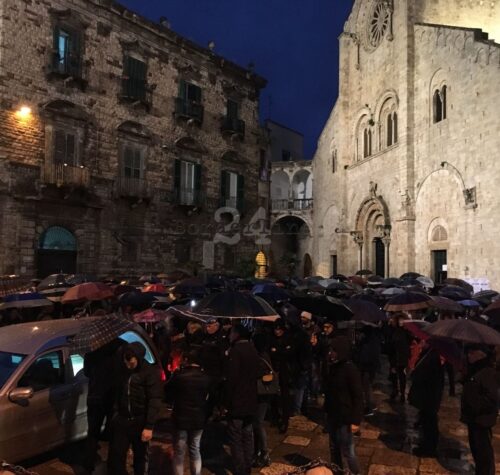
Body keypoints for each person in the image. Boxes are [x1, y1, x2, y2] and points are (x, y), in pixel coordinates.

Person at [107, 342, 163, 475]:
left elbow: (154, 399)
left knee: (140, 457)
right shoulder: (123, 370)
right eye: (125, 362)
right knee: (117, 456)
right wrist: (115, 413)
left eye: (131, 363)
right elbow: (117, 392)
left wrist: (149, 426)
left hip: (140, 421)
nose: (128, 365)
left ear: (138, 358)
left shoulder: (149, 372)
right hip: (122, 420)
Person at [167, 349, 211, 475]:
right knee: (195, 448)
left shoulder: (179, 377)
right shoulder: (206, 378)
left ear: (186, 360)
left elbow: (168, 393)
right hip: (199, 418)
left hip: (181, 417)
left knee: (179, 451)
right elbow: (211, 398)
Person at [225, 324, 261, 475]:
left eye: (231, 333)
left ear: (237, 334)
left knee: (236, 437)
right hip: (251, 399)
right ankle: (247, 465)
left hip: (238, 400)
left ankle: (240, 468)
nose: (229, 336)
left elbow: (232, 379)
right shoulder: (252, 349)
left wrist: (226, 402)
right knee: (247, 434)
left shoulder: (236, 351)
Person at [82, 339, 123, 474]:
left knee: (93, 432)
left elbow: (86, 372)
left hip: (95, 396)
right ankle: (112, 466)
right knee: (113, 433)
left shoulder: (92, 349)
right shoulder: (119, 347)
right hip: (112, 396)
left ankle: (88, 465)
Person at [323, 336, 363, 475]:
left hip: (345, 417)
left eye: (333, 350)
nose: (331, 353)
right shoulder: (333, 367)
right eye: (330, 350)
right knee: (333, 447)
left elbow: (358, 396)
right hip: (333, 414)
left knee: (347, 451)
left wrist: (356, 421)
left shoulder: (350, 369)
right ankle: (337, 471)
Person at [461, 344, 498, 475]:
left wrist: (475, 404)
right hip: (474, 418)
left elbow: (492, 398)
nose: (468, 355)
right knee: (477, 451)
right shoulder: (475, 369)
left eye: (472, 352)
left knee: (484, 454)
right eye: (468, 352)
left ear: (481, 354)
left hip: (481, 420)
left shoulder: (488, 372)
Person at [408, 343, 444, 457]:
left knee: (430, 423)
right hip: (428, 397)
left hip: (429, 397)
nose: (422, 343)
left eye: (424, 341)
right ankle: (426, 445)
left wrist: (415, 373)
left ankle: (428, 448)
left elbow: (427, 376)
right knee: (427, 422)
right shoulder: (428, 354)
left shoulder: (432, 357)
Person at [356, 325, 381, 417]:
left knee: (367, 388)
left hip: (368, 368)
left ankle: (369, 407)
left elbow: (365, 355)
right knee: (367, 387)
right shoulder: (371, 340)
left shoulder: (369, 341)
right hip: (368, 367)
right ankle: (370, 406)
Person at [387, 314, 411, 402]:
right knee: (393, 375)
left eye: (402, 320)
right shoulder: (393, 330)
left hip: (403, 357)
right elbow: (390, 342)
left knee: (402, 376)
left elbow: (409, 342)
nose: (401, 322)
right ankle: (395, 391)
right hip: (394, 357)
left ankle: (402, 394)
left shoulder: (407, 331)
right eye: (399, 320)